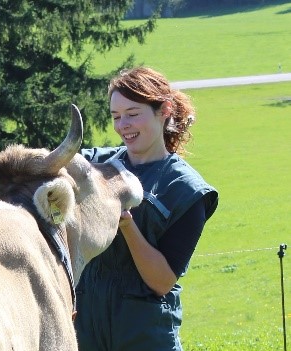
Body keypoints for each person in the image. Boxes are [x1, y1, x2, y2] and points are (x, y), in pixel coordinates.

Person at [74, 66, 218, 351]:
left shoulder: (186, 190)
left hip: (145, 334)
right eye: (116, 116)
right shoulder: (96, 164)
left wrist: (127, 225)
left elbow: (162, 281)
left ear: (163, 110)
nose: (122, 125)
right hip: (85, 330)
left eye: (132, 114)